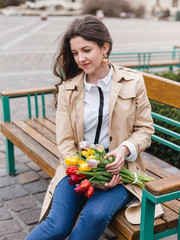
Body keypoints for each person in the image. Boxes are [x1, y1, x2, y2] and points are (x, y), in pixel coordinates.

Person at [26, 15, 163, 240]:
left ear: (104, 47)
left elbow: (145, 130)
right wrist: (88, 175)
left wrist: (124, 149)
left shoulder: (133, 81)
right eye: (75, 53)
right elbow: (65, 142)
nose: (80, 58)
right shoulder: (68, 89)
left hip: (121, 172)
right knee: (56, 226)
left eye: (86, 50)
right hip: (77, 168)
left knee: (94, 216)